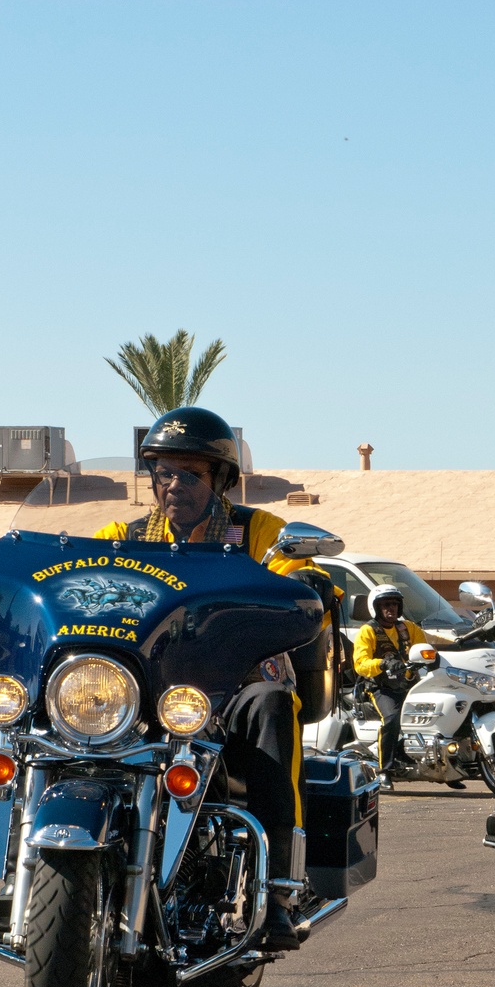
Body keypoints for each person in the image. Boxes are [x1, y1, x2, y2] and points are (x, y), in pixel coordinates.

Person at [93, 406, 327, 951]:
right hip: (150, 689)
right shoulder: (120, 535)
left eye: (190, 473)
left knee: (273, 704)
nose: (173, 485)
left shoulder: (260, 532)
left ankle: (277, 891)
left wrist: (308, 579)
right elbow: (80, 581)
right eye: (163, 472)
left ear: (220, 479)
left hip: (238, 681)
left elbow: (296, 583)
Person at [352, 584, 431, 789]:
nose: (391, 609)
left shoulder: (410, 628)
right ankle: (384, 771)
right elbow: (360, 665)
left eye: (395, 604)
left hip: (409, 683)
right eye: (386, 604)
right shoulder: (367, 631)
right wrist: (382, 663)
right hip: (380, 688)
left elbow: (426, 652)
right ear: (375, 608)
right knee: (391, 718)